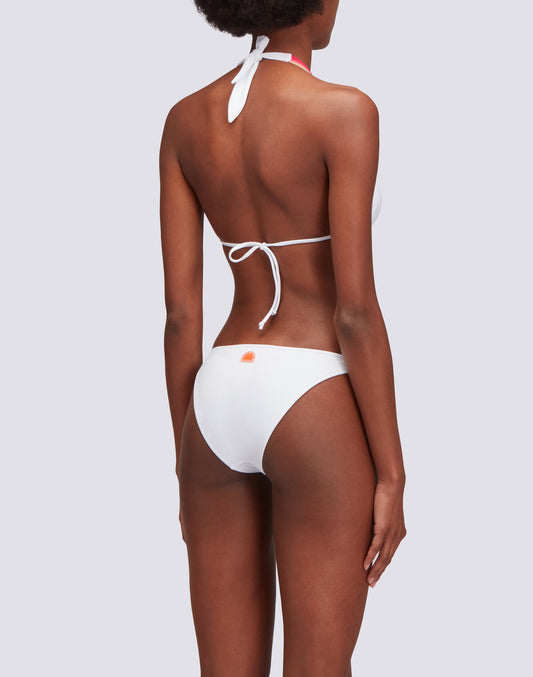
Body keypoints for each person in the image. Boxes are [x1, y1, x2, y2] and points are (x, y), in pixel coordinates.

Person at [159, 1, 407, 674]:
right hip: (310, 390)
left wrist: (185, 459)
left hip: (214, 398)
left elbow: (180, 316)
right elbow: (355, 313)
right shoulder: (343, 111)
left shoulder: (185, 119)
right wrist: (391, 472)